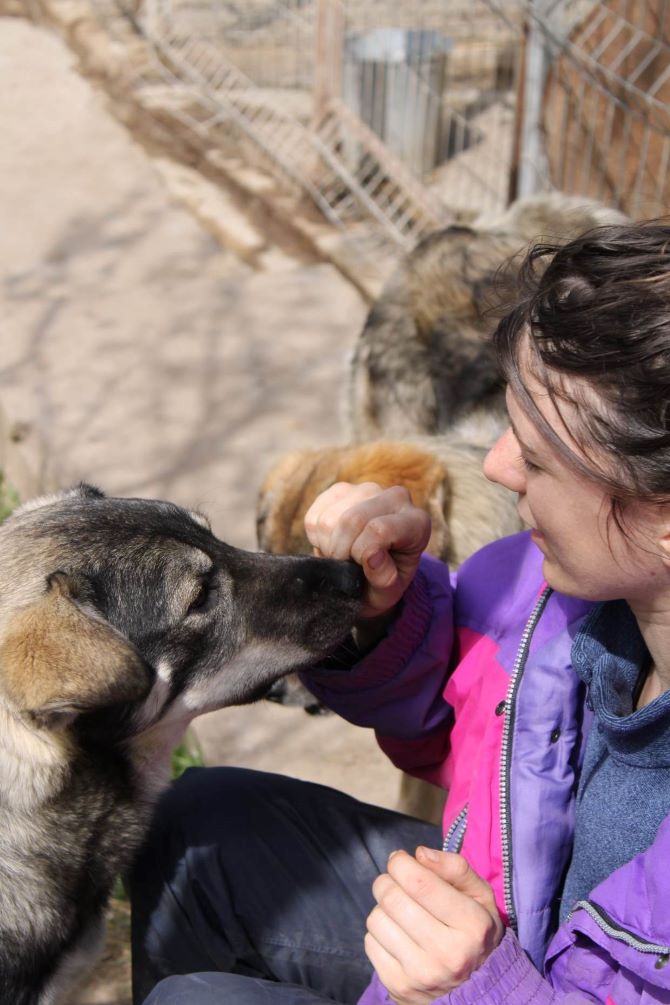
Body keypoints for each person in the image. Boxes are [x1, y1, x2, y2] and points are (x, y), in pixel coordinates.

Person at [130, 222, 670, 1005]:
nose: (495, 466)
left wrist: (482, 987)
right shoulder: (563, 587)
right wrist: (384, 618)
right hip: (514, 923)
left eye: (539, 455)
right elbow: (490, 728)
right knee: (196, 826)